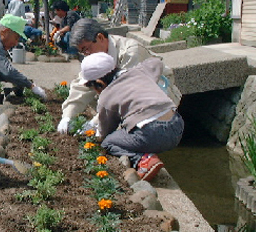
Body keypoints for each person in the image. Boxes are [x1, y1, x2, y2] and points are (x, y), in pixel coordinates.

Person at [57, 18, 182, 134]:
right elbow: (82, 86)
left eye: (86, 49)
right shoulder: (94, 57)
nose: (86, 55)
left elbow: (125, 93)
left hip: (160, 100)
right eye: (82, 52)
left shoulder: (130, 52)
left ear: (100, 37)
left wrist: (94, 124)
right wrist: (68, 116)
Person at [79, 52, 184, 181]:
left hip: (151, 134)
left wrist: (92, 135)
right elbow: (156, 62)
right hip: (177, 125)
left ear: (99, 83)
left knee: (108, 143)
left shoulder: (106, 96)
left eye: (92, 87)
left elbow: (105, 132)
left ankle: (144, 160)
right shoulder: (140, 71)